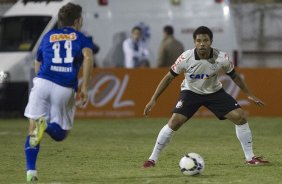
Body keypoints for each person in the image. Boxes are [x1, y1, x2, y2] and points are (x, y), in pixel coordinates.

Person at [143, 26, 269, 168]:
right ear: (194, 42)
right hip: (190, 92)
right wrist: (153, 99)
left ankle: (250, 157)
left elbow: (235, 76)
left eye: (205, 40)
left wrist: (249, 94)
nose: (202, 43)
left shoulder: (221, 57)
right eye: (198, 40)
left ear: (211, 41)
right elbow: (168, 78)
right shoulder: (186, 57)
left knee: (240, 116)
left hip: (214, 92)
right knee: (174, 122)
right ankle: (152, 159)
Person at [24, 3, 94, 182]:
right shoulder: (82, 38)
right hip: (64, 86)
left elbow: (37, 62)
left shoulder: (48, 36)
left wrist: (40, 80)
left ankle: (31, 172)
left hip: (42, 82)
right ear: (78, 20)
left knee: (32, 130)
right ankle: (45, 126)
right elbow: (87, 57)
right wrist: (85, 86)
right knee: (62, 133)